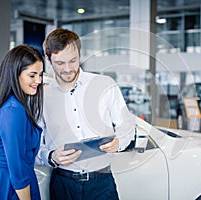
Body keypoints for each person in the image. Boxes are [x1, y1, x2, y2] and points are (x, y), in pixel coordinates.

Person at [38, 28, 135, 200]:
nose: (68, 69)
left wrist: (119, 141)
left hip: (102, 183)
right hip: (62, 184)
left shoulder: (104, 85)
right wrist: (51, 157)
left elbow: (126, 124)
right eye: (60, 63)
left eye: (73, 61)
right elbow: (34, 145)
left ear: (80, 55)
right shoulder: (42, 97)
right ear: (48, 59)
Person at [0, 45, 44, 200]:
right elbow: (16, 165)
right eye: (32, 75)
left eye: (40, 75)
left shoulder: (12, 105)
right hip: (13, 187)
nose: (39, 80)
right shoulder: (13, 110)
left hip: (10, 183)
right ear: (15, 75)